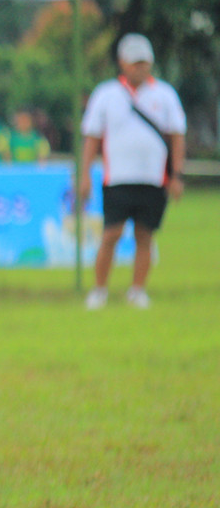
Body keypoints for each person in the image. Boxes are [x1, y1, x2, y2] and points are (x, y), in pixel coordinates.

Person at [79, 33, 186, 310]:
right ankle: (99, 290)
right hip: (117, 179)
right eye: (135, 62)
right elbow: (92, 137)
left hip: (154, 179)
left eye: (144, 62)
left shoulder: (165, 94)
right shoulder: (106, 94)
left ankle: (137, 290)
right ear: (122, 63)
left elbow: (177, 136)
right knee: (111, 234)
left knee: (145, 235)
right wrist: (84, 175)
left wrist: (177, 175)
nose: (140, 67)